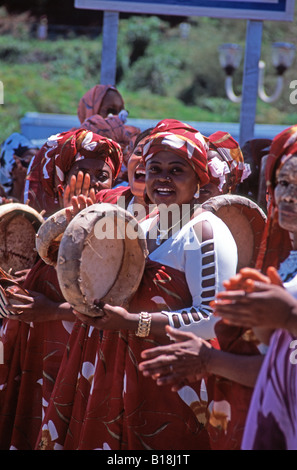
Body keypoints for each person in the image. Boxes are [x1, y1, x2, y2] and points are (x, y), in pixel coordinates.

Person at [36, 118, 238, 450]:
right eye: (155, 169)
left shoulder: (205, 233)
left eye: (177, 170)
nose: (162, 178)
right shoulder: (142, 224)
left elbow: (214, 319)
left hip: (173, 385)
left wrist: (133, 323)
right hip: (117, 379)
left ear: (199, 179)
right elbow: (102, 274)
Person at [0, 129, 123, 450]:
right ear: (58, 178)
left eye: (104, 176)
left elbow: (113, 305)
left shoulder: (118, 234)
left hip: (78, 355)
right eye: (84, 174)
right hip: (37, 354)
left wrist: (51, 311)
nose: (95, 184)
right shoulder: (41, 228)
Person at [212, 125, 297, 450]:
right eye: (284, 183)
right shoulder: (287, 262)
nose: (288, 196)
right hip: (279, 402)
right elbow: (277, 349)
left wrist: (288, 314)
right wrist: (261, 312)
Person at [0, 133, 39, 202]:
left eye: (38, 158)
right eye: (28, 163)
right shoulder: (5, 204)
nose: (39, 167)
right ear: (13, 171)